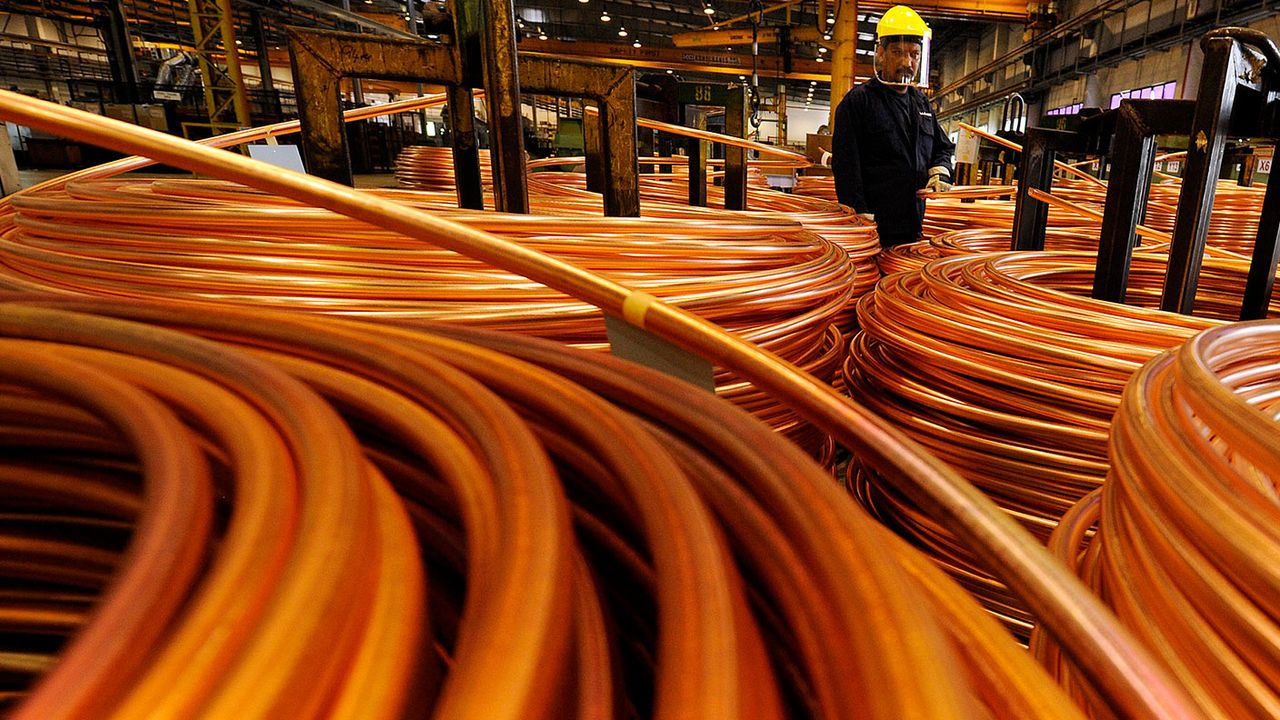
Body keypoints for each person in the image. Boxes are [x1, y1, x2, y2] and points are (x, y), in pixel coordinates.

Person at [831, 5, 954, 247]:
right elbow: (846, 168)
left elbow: (943, 147)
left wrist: (940, 170)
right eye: (898, 52)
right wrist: (860, 217)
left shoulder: (921, 104)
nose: (907, 62)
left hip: (913, 227)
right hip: (873, 230)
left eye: (914, 54)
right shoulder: (858, 102)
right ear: (880, 53)